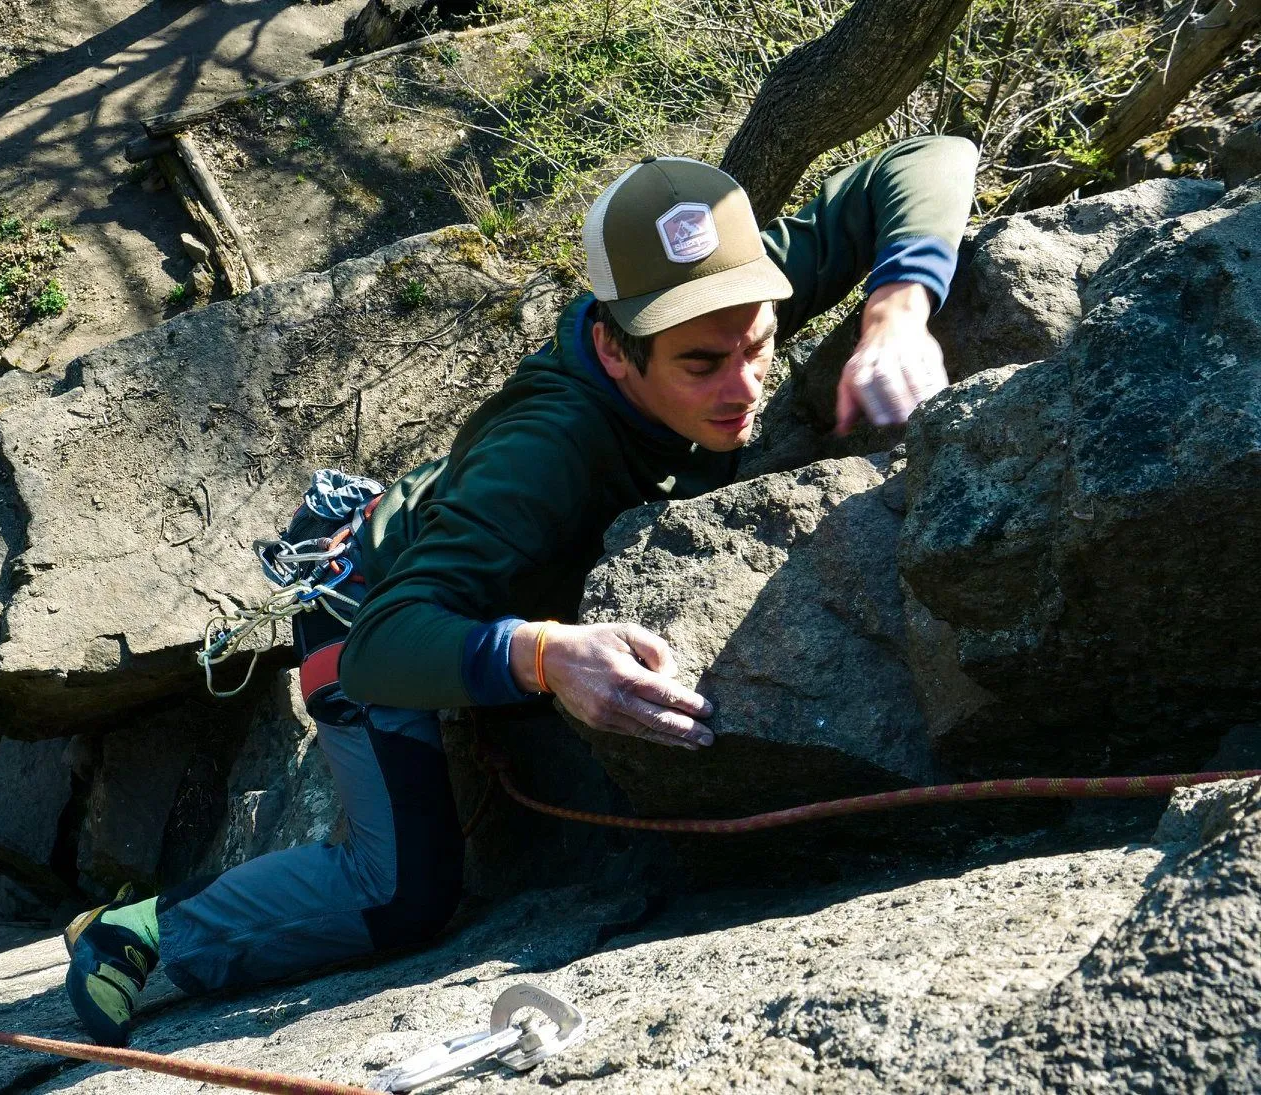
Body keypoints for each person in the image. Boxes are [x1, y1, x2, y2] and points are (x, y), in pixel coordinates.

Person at [63, 136, 980, 1046]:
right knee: (402, 895)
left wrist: (897, 310)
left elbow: (930, 158)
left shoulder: (711, 301)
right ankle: (139, 929)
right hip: (368, 602)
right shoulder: (545, 451)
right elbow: (384, 647)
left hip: (463, 553)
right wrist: (541, 654)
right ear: (613, 349)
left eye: (762, 345)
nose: (743, 384)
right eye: (702, 366)